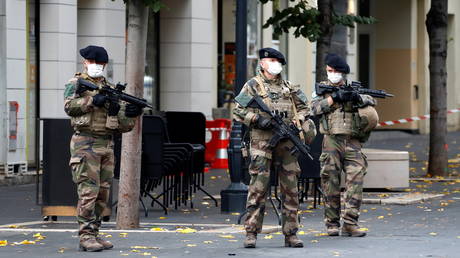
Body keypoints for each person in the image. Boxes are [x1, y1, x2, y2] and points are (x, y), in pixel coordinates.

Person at [233, 47, 317, 248]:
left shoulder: (290, 88)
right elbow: (238, 110)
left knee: (291, 190)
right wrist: (257, 119)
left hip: (286, 144)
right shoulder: (252, 86)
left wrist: (298, 120)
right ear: (262, 63)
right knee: (258, 189)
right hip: (262, 144)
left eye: (277, 61)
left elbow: (307, 108)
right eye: (270, 60)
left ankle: (291, 234)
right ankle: (251, 233)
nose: (274, 64)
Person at [64, 45, 144, 251]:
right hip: (85, 143)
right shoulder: (76, 83)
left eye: (100, 64)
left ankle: (95, 233)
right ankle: (85, 236)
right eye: (92, 62)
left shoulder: (108, 87)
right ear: (85, 62)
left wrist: (131, 113)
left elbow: (123, 126)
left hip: (106, 144)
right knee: (88, 192)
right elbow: (69, 107)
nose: (96, 66)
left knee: (103, 193)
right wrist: (92, 100)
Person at [311, 53, 379, 237]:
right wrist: (335, 98)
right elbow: (314, 109)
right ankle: (332, 224)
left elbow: (372, 100)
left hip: (353, 141)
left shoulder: (352, 89)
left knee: (355, 181)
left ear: (343, 73)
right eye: (330, 70)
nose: (332, 74)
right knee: (330, 182)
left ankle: (350, 223)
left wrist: (357, 98)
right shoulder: (321, 90)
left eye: (336, 71)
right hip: (331, 141)